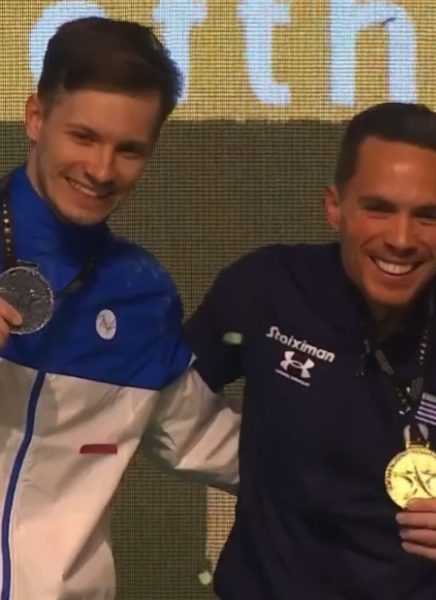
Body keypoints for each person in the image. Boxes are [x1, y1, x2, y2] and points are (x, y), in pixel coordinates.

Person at [184, 101, 436, 599]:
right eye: (378, 208)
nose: (401, 239)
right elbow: (160, 399)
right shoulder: (265, 290)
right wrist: (256, 459)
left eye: (427, 216)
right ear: (334, 206)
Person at [0, 17, 240, 600]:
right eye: (84, 137)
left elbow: (213, 443)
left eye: (128, 149)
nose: (102, 170)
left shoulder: (142, 296)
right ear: (36, 118)